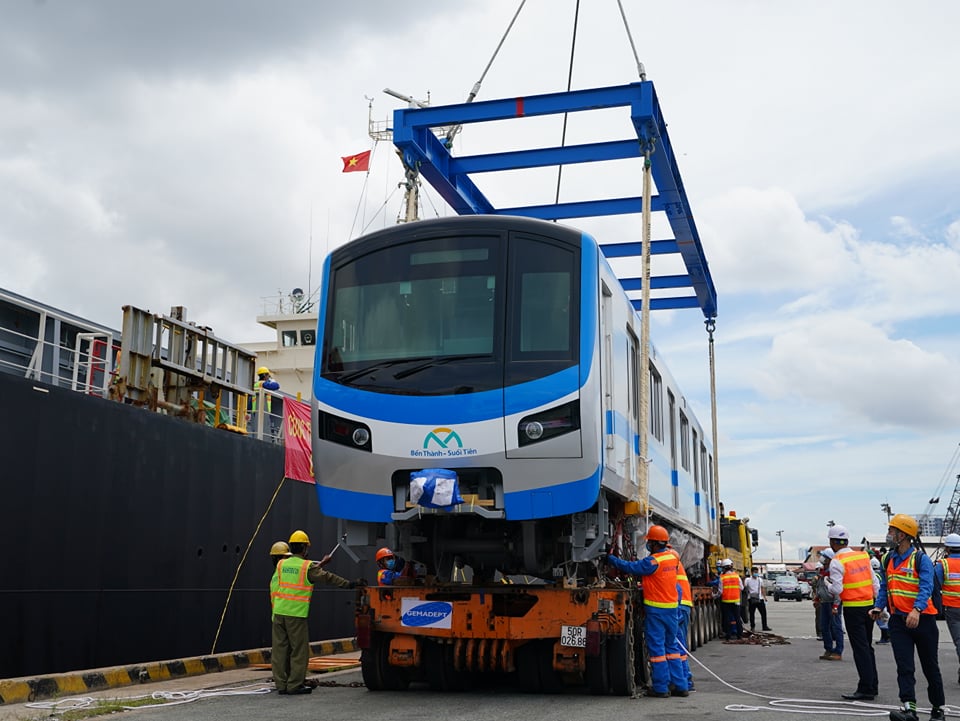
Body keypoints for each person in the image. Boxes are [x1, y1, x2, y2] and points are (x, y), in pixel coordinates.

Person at [871, 514, 945, 721]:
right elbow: (886, 587)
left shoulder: (920, 559)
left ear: (902, 535)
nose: (889, 534)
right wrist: (878, 607)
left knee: (930, 667)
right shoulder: (888, 559)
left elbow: (926, 587)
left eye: (892, 531)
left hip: (924, 621)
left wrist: (917, 610)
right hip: (898, 622)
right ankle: (909, 708)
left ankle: (938, 709)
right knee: (905, 667)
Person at [603, 525, 689, 698]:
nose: (648, 545)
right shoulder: (673, 556)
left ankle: (661, 688)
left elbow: (631, 567)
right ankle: (681, 686)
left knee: (657, 651)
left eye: (650, 542)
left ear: (656, 544)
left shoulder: (653, 562)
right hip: (672, 610)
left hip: (656, 611)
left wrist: (611, 559)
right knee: (672, 648)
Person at [271, 530, 354, 695]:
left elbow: (285, 581)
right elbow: (326, 577)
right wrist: (349, 584)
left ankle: (281, 685)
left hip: (279, 612)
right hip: (296, 614)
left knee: (280, 651)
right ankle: (295, 685)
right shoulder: (306, 566)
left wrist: (321, 563)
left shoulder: (281, 564)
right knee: (299, 651)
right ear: (304, 548)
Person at [826, 524, 879, 701]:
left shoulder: (837, 561)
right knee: (868, 647)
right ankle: (872, 685)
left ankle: (865, 688)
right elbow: (875, 583)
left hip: (853, 609)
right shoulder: (863, 556)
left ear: (832, 542)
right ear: (847, 540)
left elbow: (837, 589)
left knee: (860, 648)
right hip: (870, 606)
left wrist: (827, 584)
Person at [666, 545, 695, 692]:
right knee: (678, 645)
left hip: (678, 605)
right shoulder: (674, 559)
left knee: (677, 646)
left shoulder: (668, 559)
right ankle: (683, 681)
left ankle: (685, 681)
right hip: (681, 605)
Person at [935, 533, 960, 682]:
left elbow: (935, 585)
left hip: (952, 608)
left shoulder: (943, 564)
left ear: (947, 549)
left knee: (959, 640)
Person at [816, 548, 843, 660]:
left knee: (836, 627)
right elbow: (820, 586)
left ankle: (838, 651)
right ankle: (828, 649)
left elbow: (838, 590)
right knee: (824, 626)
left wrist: (836, 606)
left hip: (833, 603)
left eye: (824, 556)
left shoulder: (833, 572)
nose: (821, 558)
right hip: (824, 602)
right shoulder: (822, 572)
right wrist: (817, 598)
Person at [713, 559, 743, 640]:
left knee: (727, 618)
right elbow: (742, 587)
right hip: (736, 601)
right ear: (731, 566)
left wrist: (714, 596)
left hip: (726, 601)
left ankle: (728, 635)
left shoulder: (722, 577)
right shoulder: (737, 576)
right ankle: (739, 635)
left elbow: (720, 591)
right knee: (737, 618)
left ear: (723, 568)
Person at [251, 366, 281, 437]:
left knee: (255, 430)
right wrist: (272, 380)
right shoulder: (263, 384)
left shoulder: (256, 384)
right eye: (268, 375)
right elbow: (276, 386)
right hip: (262, 411)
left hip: (256, 410)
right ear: (264, 375)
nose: (268, 377)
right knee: (262, 432)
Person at [743, 566, 771, 632]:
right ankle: (752, 626)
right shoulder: (748, 580)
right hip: (751, 598)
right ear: (752, 572)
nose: (756, 574)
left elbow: (762, 588)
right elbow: (744, 587)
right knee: (752, 613)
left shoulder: (759, 580)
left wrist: (764, 597)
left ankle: (765, 626)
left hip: (759, 598)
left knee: (763, 613)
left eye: (757, 572)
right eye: (755, 572)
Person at [871, 556, 891, 645]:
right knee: (883, 618)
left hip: (878, 599)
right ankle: (886, 636)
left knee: (881, 619)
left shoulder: (873, 575)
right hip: (882, 598)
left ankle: (885, 637)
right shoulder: (879, 573)